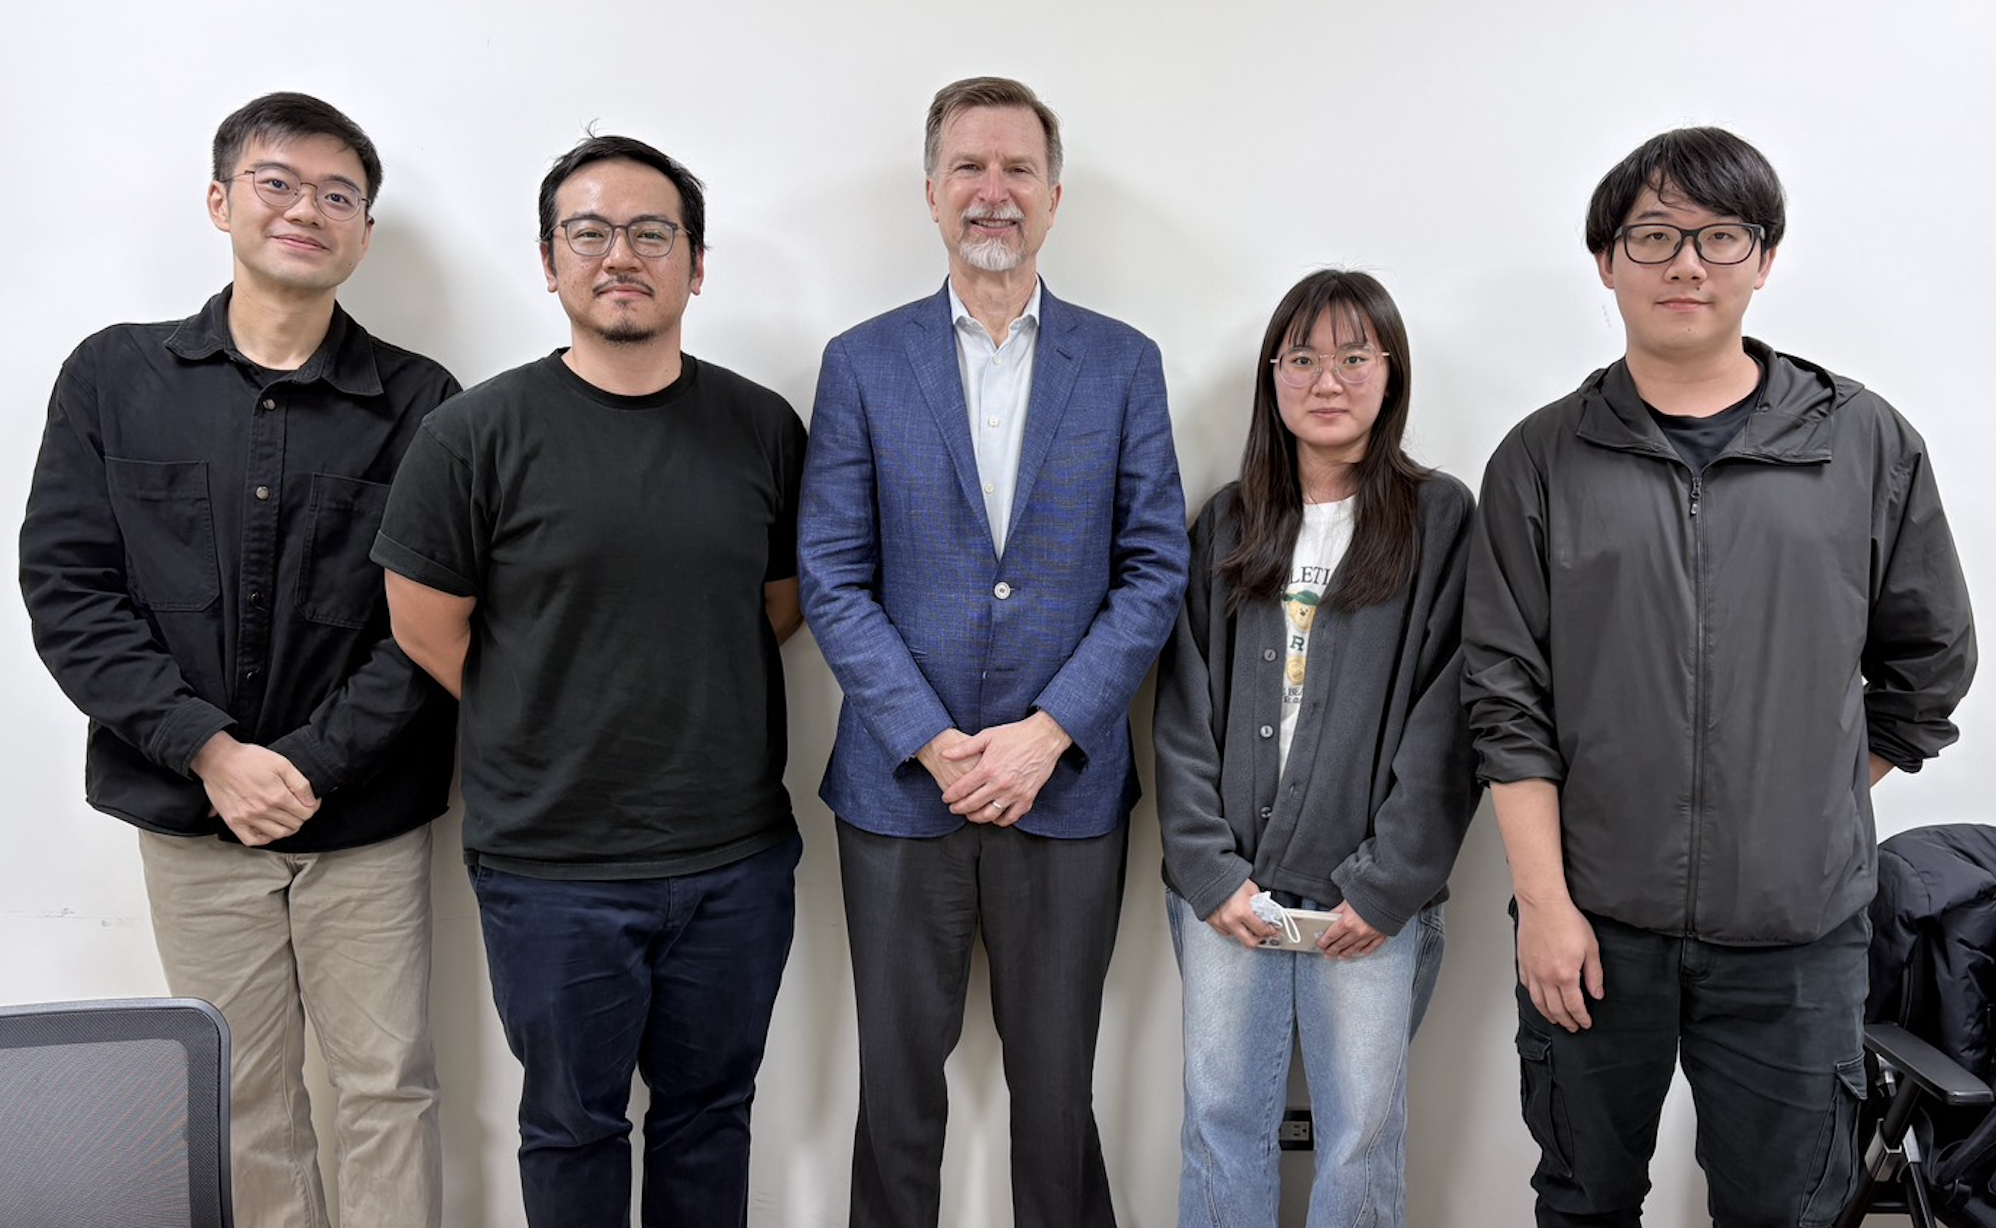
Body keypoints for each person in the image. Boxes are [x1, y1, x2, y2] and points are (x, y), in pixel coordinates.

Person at [1463, 127, 1977, 1226]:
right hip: (1593, 922)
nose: (1686, 264)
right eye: (1653, 236)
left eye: (1720, 236)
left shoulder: (1863, 445)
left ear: (1764, 257)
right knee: (1583, 1200)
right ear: (1606, 262)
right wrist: (1544, 906)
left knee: (1785, 1212)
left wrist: (1812, 795)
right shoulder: (1541, 459)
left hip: (1798, 935)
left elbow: (1929, 662)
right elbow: (1504, 701)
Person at [18, 92, 458, 1228]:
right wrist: (213, 753)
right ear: (221, 202)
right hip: (187, 807)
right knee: (240, 1098)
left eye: (338, 195)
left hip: (365, 815)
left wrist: (310, 763)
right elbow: (68, 591)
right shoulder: (112, 376)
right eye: (278, 182)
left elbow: (431, 625)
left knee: (387, 1086)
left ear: (363, 231)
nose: (307, 210)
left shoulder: (423, 402)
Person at [371, 135, 807, 1228]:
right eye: (591, 232)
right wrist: (548, 704)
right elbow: (424, 623)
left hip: (733, 857)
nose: (622, 255)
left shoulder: (761, 426)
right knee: (570, 1127)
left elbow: (782, 600)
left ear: (695, 265)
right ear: (549, 259)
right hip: (550, 865)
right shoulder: (472, 435)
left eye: (652, 233)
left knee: (712, 1118)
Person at [797, 76, 1190, 1228]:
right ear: (930, 193)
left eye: (1018, 168)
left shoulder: (1122, 363)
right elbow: (831, 574)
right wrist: (932, 740)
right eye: (968, 166)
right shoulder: (862, 362)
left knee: (1057, 1095)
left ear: (1054, 197)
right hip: (897, 790)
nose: (993, 190)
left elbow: (1153, 568)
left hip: (1065, 792)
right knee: (894, 1094)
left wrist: (1047, 733)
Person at [1154, 269, 1478, 1228]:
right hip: (1229, 895)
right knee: (1219, 1122)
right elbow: (1181, 709)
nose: (1327, 380)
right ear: (1272, 375)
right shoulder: (1229, 520)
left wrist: (1387, 884)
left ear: (1392, 372)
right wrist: (1209, 872)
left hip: (1367, 899)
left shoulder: (1440, 519)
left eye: (1353, 357)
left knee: (1360, 1136)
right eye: (1301, 358)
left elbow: (1450, 721)